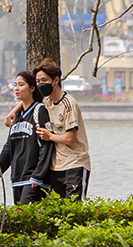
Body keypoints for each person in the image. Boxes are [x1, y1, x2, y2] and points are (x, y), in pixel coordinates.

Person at [0, 70, 53, 203]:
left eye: (21, 84)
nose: (16, 88)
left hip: (34, 180)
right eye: (15, 85)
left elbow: (47, 145)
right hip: (17, 179)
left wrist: (38, 175)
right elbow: (9, 149)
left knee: (26, 215)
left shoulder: (39, 110)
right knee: (21, 218)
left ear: (32, 88)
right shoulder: (16, 116)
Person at [34, 58, 91, 200]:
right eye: (38, 81)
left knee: (74, 209)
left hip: (75, 163)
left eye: (44, 80)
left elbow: (70, 138)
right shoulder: (46, 102)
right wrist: (12, 112)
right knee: (56, 211)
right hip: (55, 167)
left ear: (56, 80)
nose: (41, 84)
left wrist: (49, 136)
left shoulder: (68, 104)